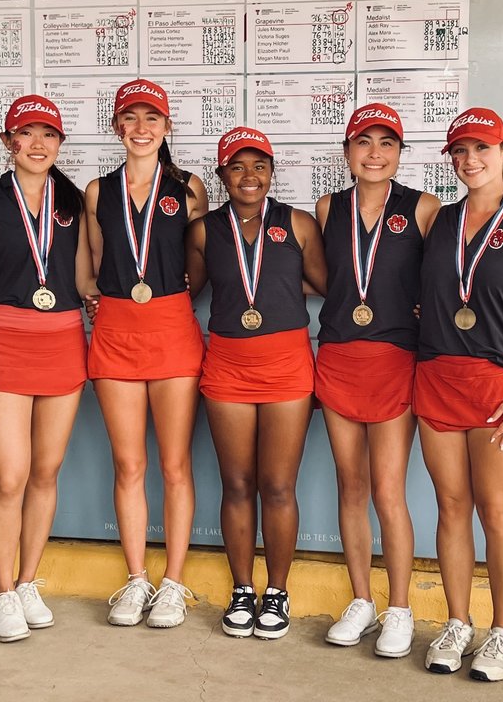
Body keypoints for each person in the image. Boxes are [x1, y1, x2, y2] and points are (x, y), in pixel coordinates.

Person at [414, 108, 503, 681]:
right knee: (451, 508)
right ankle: (458, 622)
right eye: (459, 151)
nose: (470, 160)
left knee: (496, 511)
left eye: (482, 148)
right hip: (437, 379)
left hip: (500, 386)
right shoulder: (439, 221)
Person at [0, 94, 94, 642]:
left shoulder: (73, 200)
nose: (38, 144)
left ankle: (31, 580)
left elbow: (83, 275)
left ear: (60, 143)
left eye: (48, 134)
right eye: (26, 133)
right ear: (7, 141)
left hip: (63, 342)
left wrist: (107, 299)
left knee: (44, 473)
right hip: (7, 343)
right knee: (8, 476)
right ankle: (4, 591)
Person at [185, 126, 327, 640]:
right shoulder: (203, 230)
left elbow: (327, 283)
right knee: (238, 483)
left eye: (259, 165)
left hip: (288, 364)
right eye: (238, 166)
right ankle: (243, 588)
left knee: (277, 485)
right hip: (226, 364)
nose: (250, 176)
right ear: (223, 173)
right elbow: (187, 288)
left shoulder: (300, 224)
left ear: (272, 172)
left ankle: (278, 591)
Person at [315, 104, 440, 657]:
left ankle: (399, 608)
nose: (374, 153)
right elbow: (327, 278)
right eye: (363, 142)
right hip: (340, 354)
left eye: (386, 143)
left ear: (399, 153)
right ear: (346, 152)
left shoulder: (424, 208)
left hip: (394, 358)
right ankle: (362, 600)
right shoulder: (326, 208)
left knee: (389, 490)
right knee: (351, 485)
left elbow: (445, 276)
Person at [84, 79, 208, 629]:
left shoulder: (190, 187)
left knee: (175, 463)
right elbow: (93, 257)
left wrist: (179, 291)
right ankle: (136, 580)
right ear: (117, 127)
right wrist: (95, 295)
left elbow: (201, 260)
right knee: (129, 464)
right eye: (130, 118)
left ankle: (174, 583)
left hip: (171, 326)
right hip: (115, 327)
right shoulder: (97, 191)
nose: (141, 128)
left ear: (166, 127)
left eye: (151, 118)